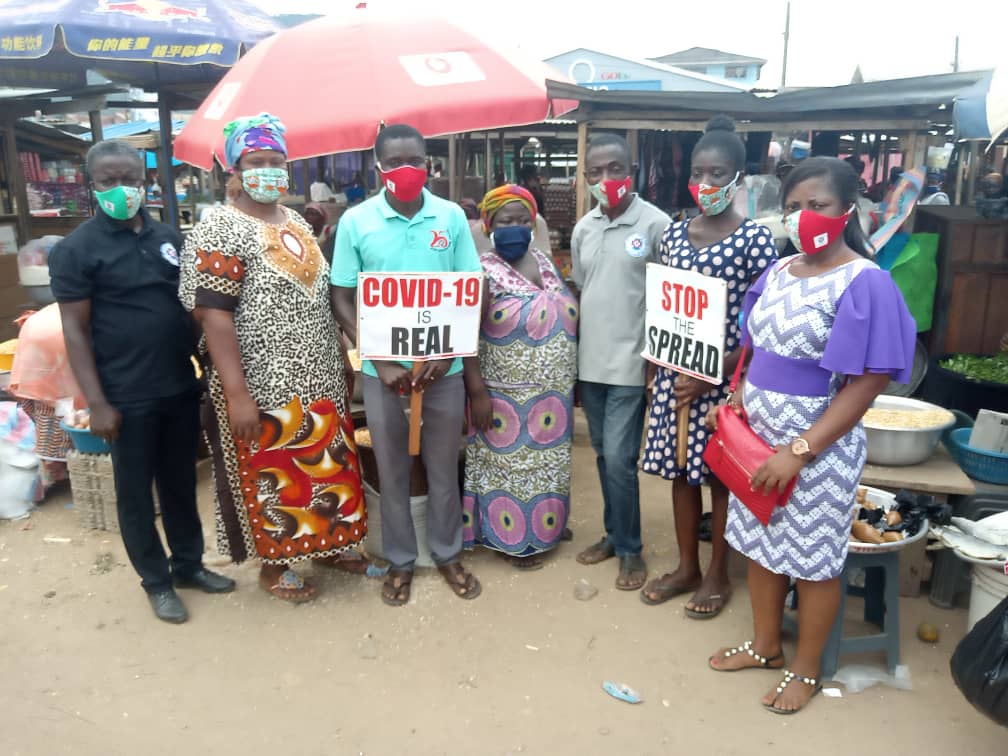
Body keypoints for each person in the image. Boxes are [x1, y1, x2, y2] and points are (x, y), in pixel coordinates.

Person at [708, 157, 916, 715]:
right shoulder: (779, 272)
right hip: (757, 443)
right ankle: (766, 645)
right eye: (794, 207)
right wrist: (736, 399)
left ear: (848, 210)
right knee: (759, 546)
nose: (804, 217)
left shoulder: (864, 281)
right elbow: (754, 350)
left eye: (817, 205)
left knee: (813, 561)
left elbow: (868, 380)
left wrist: (799, 451)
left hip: (815, 451)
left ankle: (805, 670)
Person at [179, 113, 366, 605]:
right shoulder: (221, 227)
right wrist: (237, 393)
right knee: (274, 470)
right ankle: (275, 563)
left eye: (276, 162)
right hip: (261, 380)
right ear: (233, 172)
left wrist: (343, 356)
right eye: (256, 162)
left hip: (318, 370)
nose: (268, 171)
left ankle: (328, 543)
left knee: (326, 462)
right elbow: (213, 314)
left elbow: (321, 292)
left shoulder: (297, 221)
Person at [49, 139, 234, 624]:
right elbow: (75, 329)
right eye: (109, 181)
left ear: (145, 181)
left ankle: (189, 565)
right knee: (135, 495)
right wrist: (98, 402)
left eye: (130, 179)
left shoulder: (168, 238)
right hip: (124, 396)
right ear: (93, 186)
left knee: (179, 485)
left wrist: (207, 364)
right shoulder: (76, 250)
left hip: (177, 386)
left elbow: (190, 308)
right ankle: (156, 582)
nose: (122, 189)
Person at [331, 123, 483, 607]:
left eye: (414, 160)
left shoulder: (452, 217)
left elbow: (468, 290)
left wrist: (446, 353)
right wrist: (373, 355)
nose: (406, 169)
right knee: (393, 472)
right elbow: (341, 293)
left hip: (445, 372)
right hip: (383, 377)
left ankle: (447, 554)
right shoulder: (357, 222)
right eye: (394, 161)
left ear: (428, 163)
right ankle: (400, 561)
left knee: (442, 469)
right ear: (378, 167)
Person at [640, 116, 777, 619]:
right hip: (675, 376)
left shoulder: (756, 241)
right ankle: (686, 566)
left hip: (723, 382)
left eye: (718, 173)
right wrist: (658, 362)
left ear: (739, 177)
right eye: (699, 172)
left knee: (718, 477)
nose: (706, 183)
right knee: (680, 471)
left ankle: (718, 571)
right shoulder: (673, 235)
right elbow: (663, 306)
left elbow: (764, 324)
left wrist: (716, 370)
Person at [571, 132, 671, 590]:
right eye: (595, 172)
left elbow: (669, 298)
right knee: (603, 455)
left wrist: (657, 360)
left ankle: (631, 550)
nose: (605, 179)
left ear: (632, 172)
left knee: (619, 460)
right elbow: (580, 289)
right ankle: (614, 535)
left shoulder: (655, 225)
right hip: (589, 363)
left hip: (632, 363)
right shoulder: (584, 227)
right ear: (586, 176)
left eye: (615, 169)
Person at [462, 185, 578, 569]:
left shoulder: (545, 262)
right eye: (506, 221)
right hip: (504, 396)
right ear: (489, 225)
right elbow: (466, 336)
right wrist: (476, 390)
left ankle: (548, 524)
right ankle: (514, 539)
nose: (516, 227)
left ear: (534, 223)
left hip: (553, 394)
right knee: (510, 467)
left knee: (550, 465)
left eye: (523, 220)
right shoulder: (481, 270)